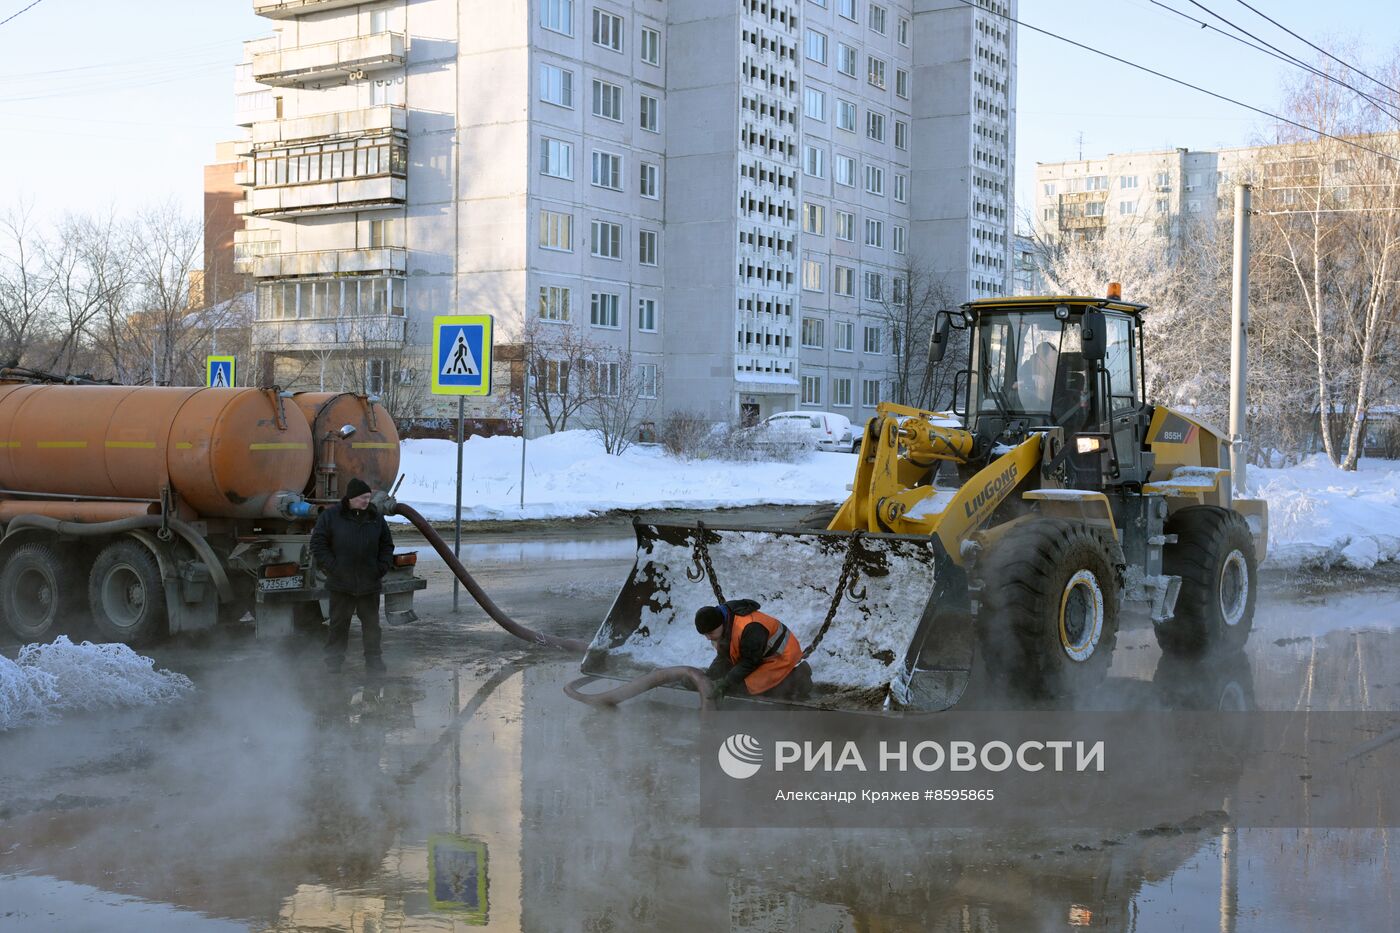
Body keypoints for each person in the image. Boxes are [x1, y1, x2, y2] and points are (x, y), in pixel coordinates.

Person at [310, 477, 394, 673]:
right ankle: (334, 663)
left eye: (368, 497)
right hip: (341, 584)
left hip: (369, 583)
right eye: (362, 498)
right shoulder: (331, 517)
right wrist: (333, 567)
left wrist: (381, 567)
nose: (366, 501)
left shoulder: (375, 517)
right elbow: (318, 544)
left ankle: (374, 660)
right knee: (338, 625)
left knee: (372, 626)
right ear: (351, 498)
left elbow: (387, 545)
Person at [694, 599, 814, 701]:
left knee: (743, 688)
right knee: (732, 680)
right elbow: (725, 656)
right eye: (705, 635)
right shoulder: (727, 621)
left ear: (720, 623)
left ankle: (799, 679)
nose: (708, 638)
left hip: (782, 659)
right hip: (761, 655)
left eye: (710, 633)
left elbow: (749, 662)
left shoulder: (751, 627)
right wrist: (709, 677)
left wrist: (726, 684)